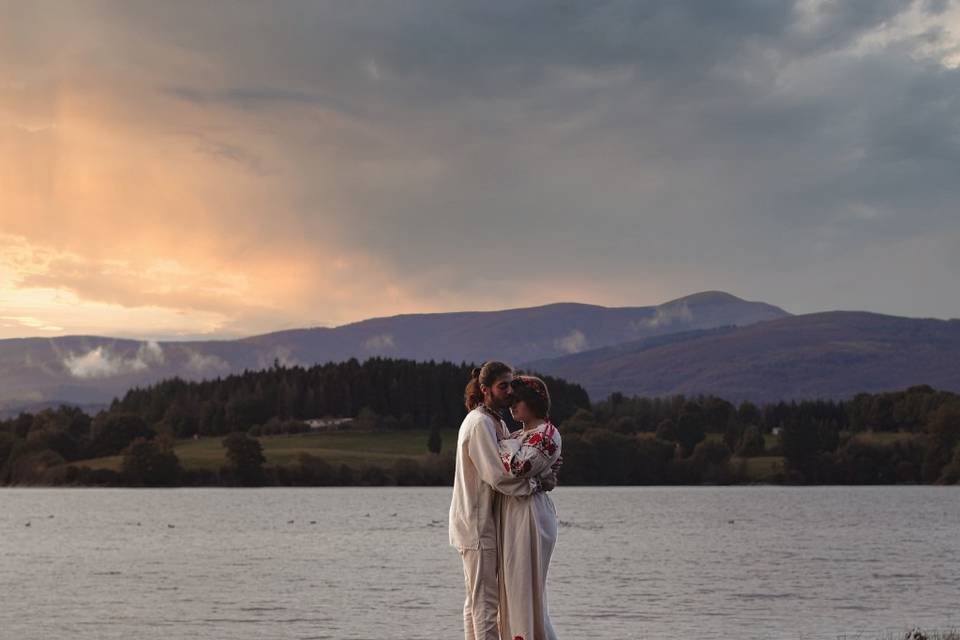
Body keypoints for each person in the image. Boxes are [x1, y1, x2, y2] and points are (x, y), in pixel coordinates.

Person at [449, 361, 557, 640]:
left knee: (478, 598)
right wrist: (536, 483)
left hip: (486, 521)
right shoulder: (479, 422)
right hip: (476, 522)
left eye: (511, 384)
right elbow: (497, 475)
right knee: (483, 601)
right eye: (503, 386)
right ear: (485, 389)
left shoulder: (494, 420)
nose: (510, 391)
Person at [497, 375, 563, 640]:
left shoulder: (547, 435)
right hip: (516, 511)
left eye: (517, 401)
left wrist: (502, 444)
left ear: (533, 402)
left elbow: (518, 467)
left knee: (528, 590)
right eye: (510, 401)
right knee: (514, 588)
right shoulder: (520, 435)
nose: (512, 407)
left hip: (533, 514)